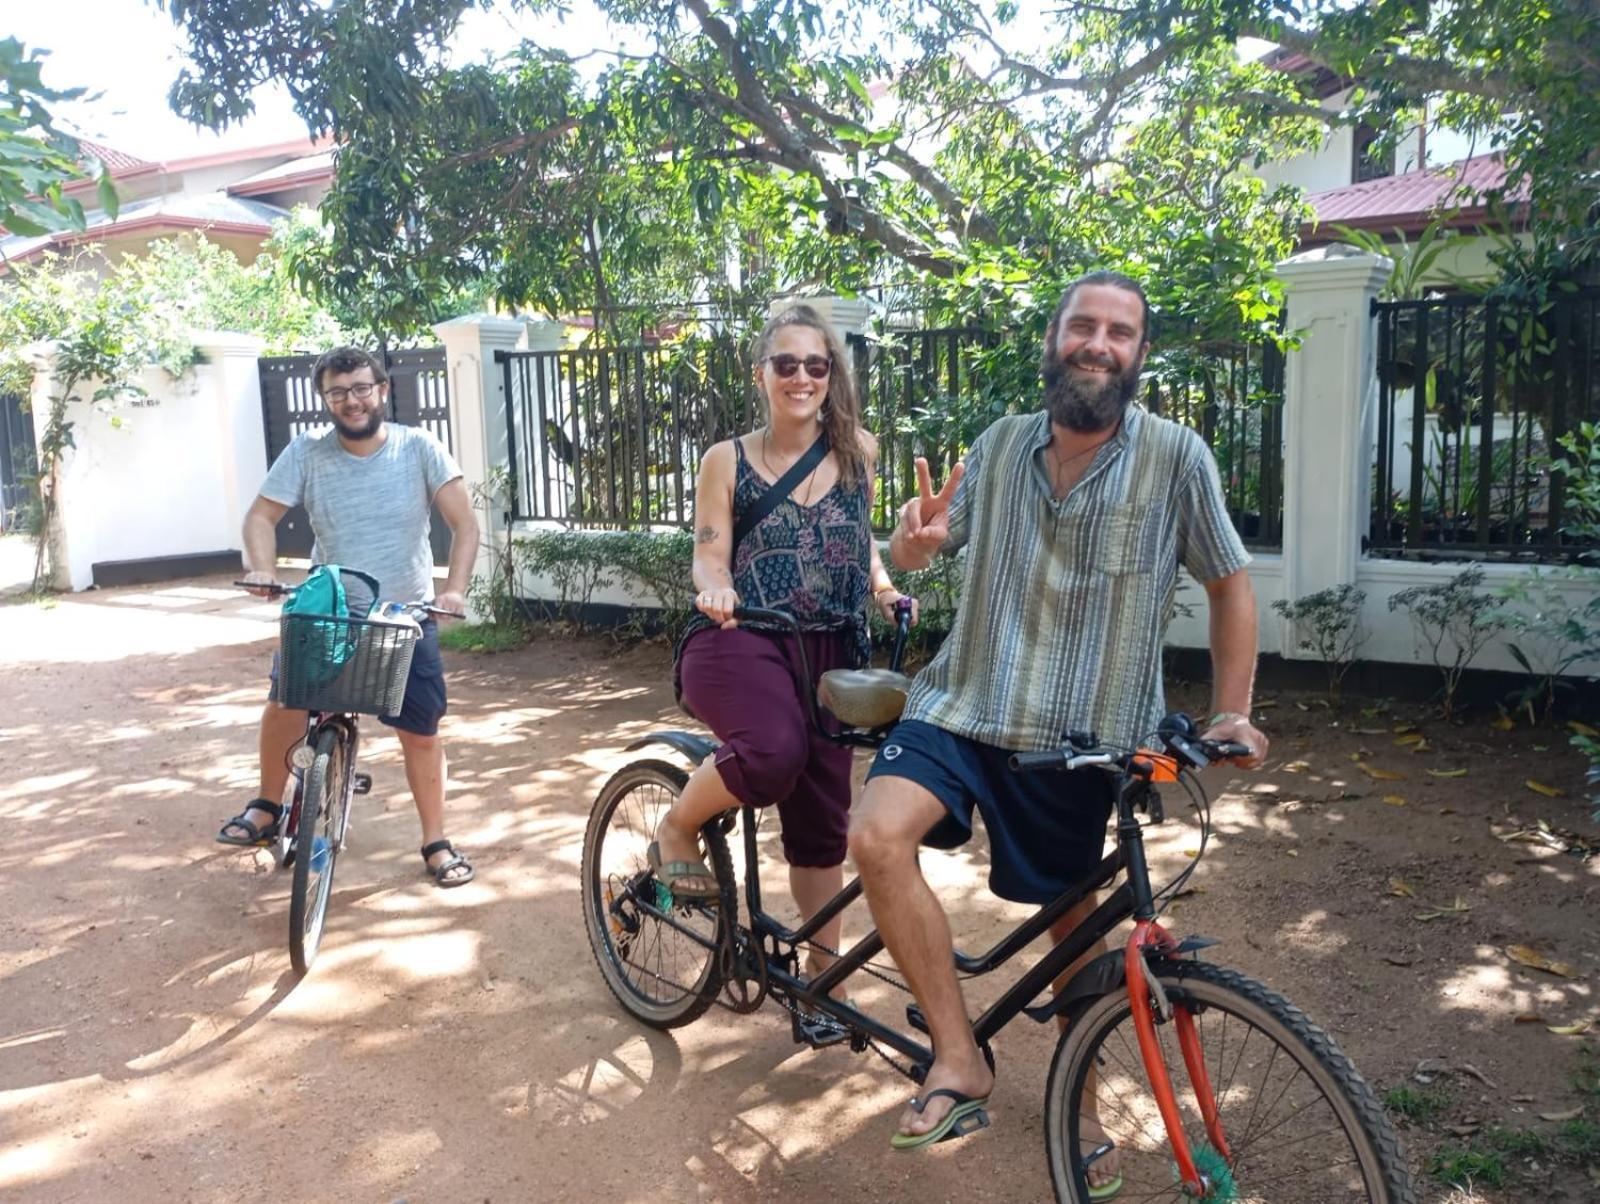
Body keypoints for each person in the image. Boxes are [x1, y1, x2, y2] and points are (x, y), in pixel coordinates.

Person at [847, 271, 1269, 1181]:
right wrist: (911, 545)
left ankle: (1071, 1109)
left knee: (1075, 928)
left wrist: (1233, 709)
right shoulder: (1000, 446)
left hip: (1087, 736)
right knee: (877, 837)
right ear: (1054, 337)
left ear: (1139, 355)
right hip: (965, 704)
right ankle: (958, 1057)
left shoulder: (1176, 458)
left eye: (1120, 332)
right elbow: (921, 542)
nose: (1098, 344)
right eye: (1084, 325)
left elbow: (1231, 584)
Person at [651, 303, 913, 990]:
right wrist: (716, 589)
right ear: (762, 374)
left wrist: (884, 588)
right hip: (740, 638)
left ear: (832, 376)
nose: (802, 377)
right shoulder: (726, 459)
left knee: (823, 822)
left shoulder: (861, 449)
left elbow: (861, 542)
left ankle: (822, 980)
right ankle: (677, 828)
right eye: (787, 364)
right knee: (774, 751)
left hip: (831, 650)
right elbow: (709, 554)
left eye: (816, 365)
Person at [216, 346, 482, 888]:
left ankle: (435, 840)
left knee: (422, 733)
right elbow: (260, 517)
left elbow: (465, 525)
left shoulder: (419, 447)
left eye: (361, 388)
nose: (352, 401)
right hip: (330, 609)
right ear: (325, 400)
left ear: (382, 390)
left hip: (403, 614)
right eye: (338, 393)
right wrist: (263, 570)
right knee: (285, 700)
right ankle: (267, 805)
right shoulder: (307, 452)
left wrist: (453, 590)